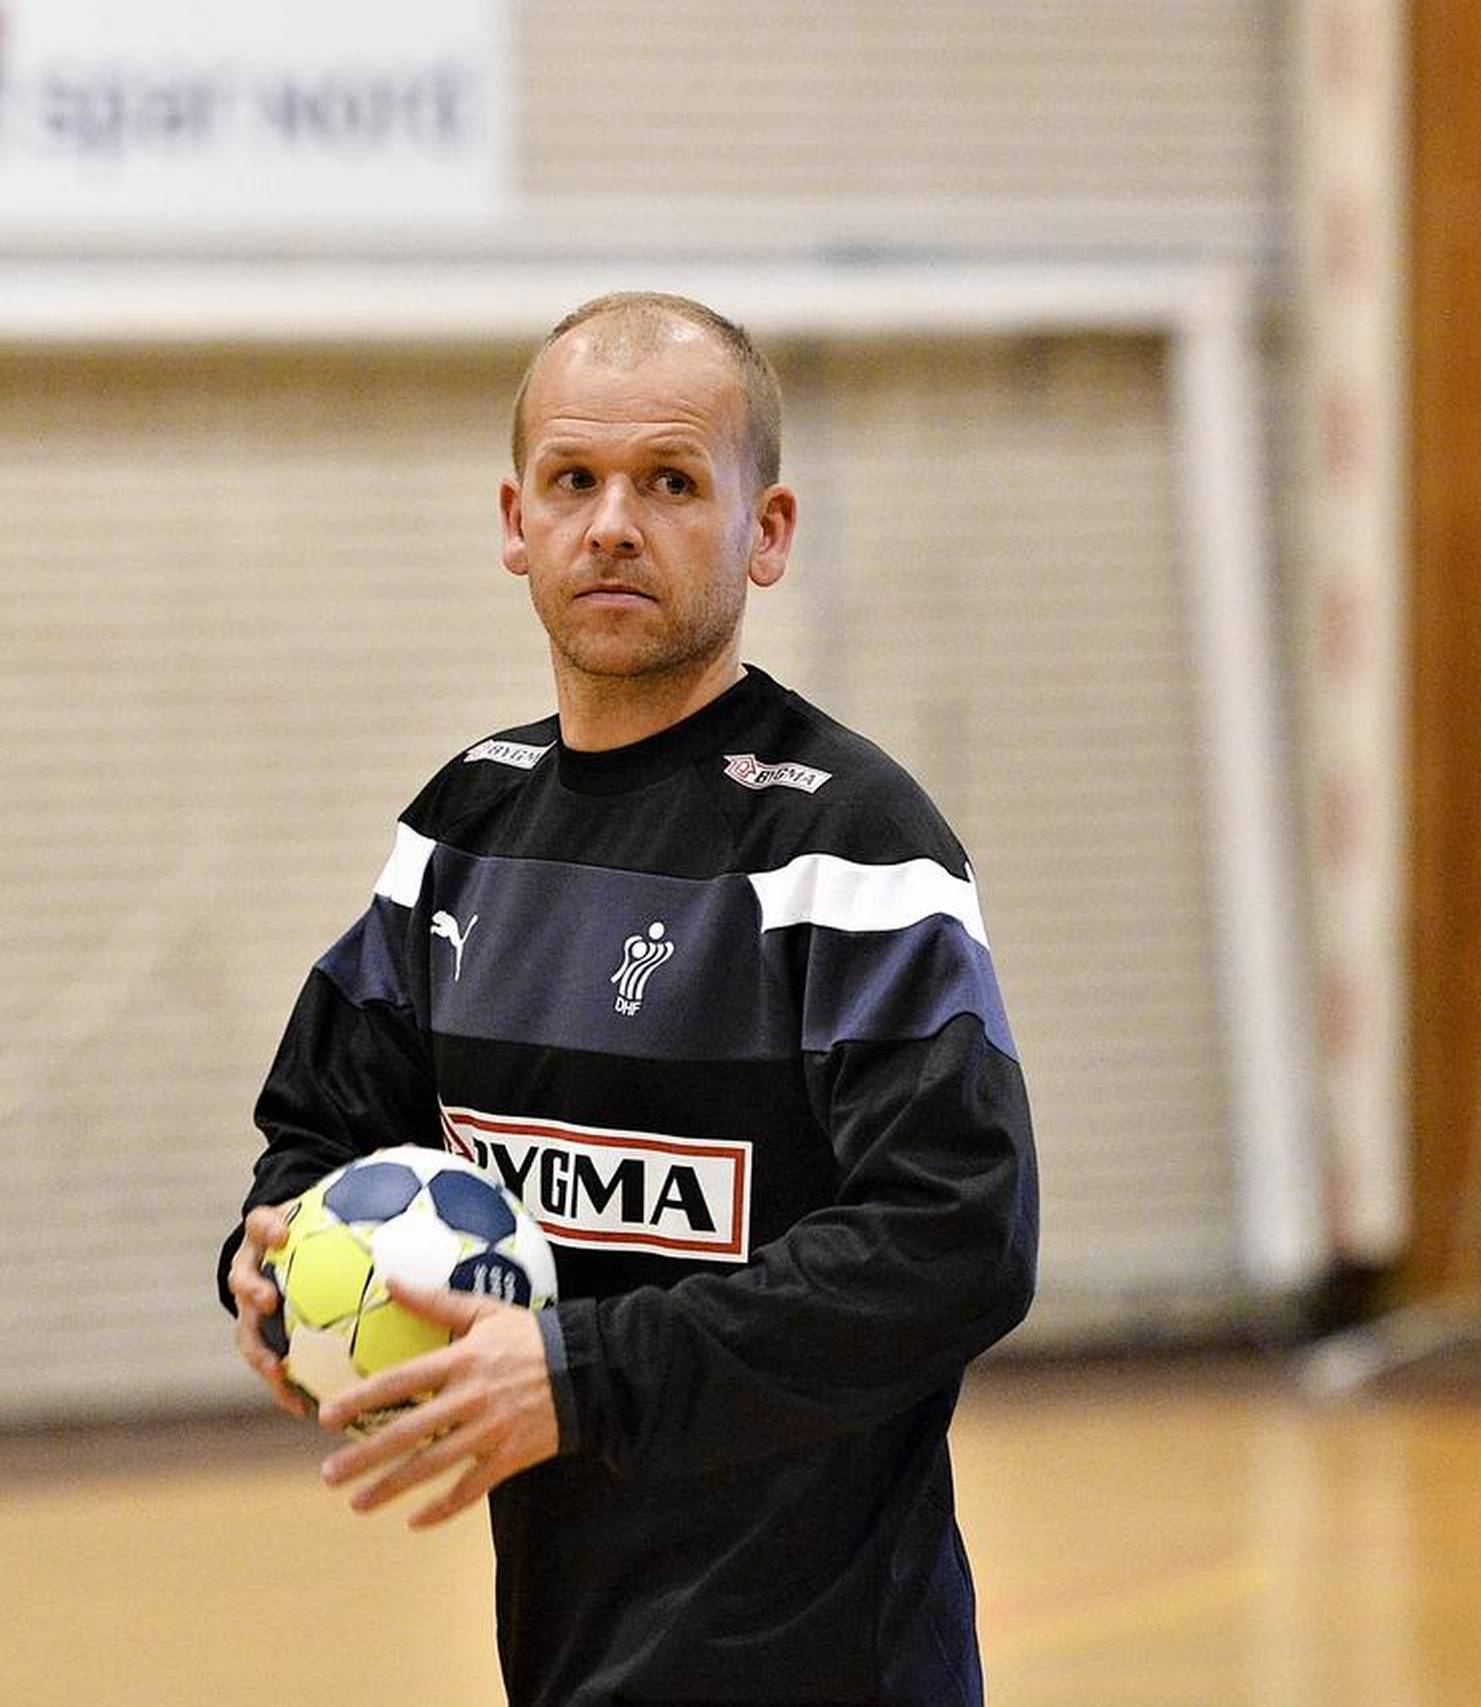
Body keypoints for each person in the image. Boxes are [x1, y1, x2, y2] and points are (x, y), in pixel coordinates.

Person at [220, 292, 1039, 1706]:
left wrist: (586, 1372)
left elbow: (955, 1236)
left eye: (670, 482)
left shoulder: (850, 849)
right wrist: (269, 1256)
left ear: (764, 531)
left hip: (832, 1667)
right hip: (566, 1652)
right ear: (514, 520)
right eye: (574, 482)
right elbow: (320, 1131)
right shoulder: (460, 833)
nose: (613, 524)